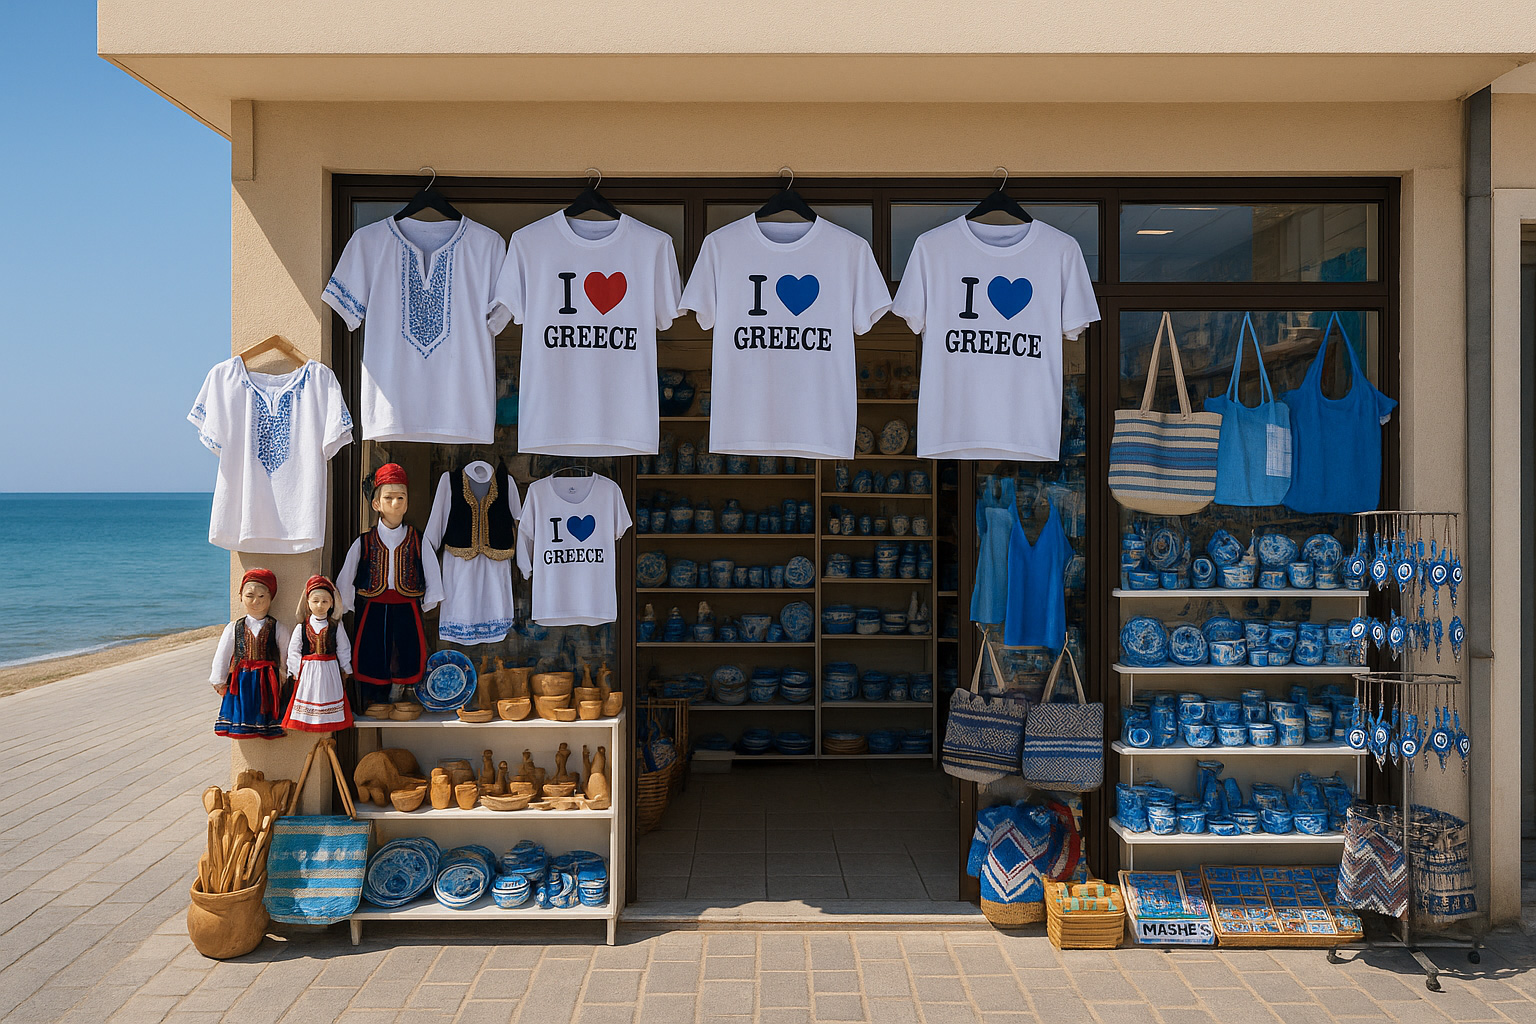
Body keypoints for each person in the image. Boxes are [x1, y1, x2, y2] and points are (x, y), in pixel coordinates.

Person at [338, 463, 442, 707]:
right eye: (389, 497)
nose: (395, 503)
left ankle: (400, 693)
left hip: (407, 608)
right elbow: (346, 578)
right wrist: (343, 605)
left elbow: (432, 574)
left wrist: (431, 600)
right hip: (372, 608)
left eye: (400, 497)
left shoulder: (418, 540)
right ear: (376, 504)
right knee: (372, 652)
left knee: (406, 652)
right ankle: (374, 700)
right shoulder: (363, 542)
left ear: (407, 503)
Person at [209, 568, 290, 739]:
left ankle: (264, 726)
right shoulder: (234, 627)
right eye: (250, 595)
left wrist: (284, 675)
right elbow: (222, 654)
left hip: (267, 679)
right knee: (243, 706)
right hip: (241, 679)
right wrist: (219, 679)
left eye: (262, 596)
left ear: (270, 598)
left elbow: (285, 654)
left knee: (264, 706)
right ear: (241, 597)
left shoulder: (278, 627)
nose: (256, 601)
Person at [282, 574, 354, 731]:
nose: (320, 605)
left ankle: (328, 719)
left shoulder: (335, 626)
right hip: (308, 670)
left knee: (329, 693)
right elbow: (294, 650)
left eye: (324, 601)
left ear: (331, 603)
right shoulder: (302, 627)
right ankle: (309, 720)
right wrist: (295, 670)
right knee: (310, 693)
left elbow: (343, 648)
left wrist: (346, 668)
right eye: (315, 601)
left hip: (330, 669)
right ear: (308, 603)